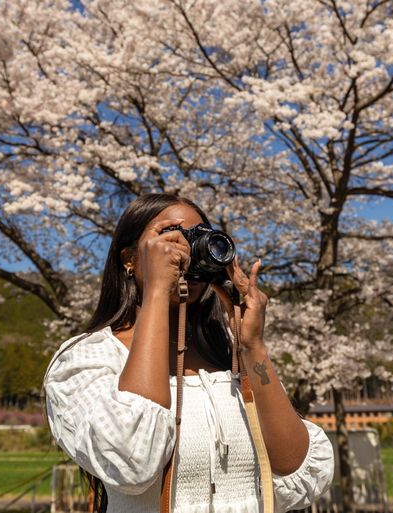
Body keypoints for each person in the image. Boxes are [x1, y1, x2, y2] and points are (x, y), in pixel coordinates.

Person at [44, 193, 334, 513]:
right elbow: (132, 461)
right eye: (170, 238)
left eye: (197, 240)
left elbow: (298, 473)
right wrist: (157, 290)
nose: (184, 252)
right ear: (129, 259)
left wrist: (253, 347)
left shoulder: (230, 358)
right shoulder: (89, 359)